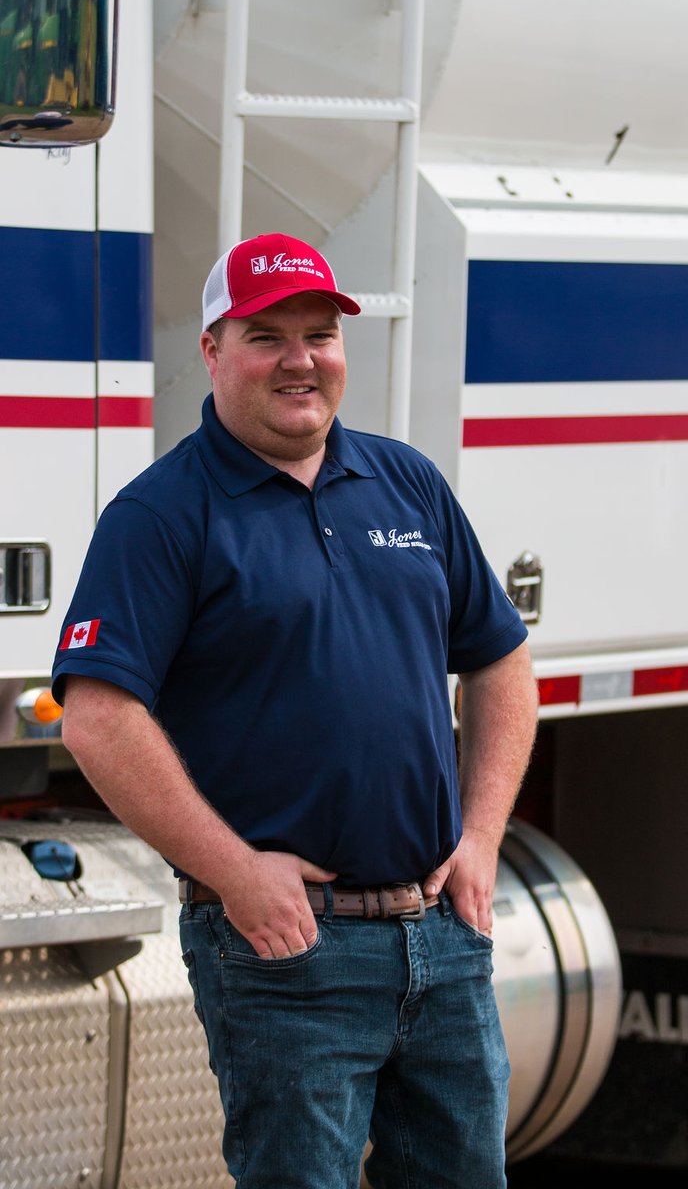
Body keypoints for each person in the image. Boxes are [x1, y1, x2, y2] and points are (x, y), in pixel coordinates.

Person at [52, 232, 538, 1189]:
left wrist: (481, 838)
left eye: (319, 335)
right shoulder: (162, 514)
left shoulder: (407, 482)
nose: (299, 360)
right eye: (266, 336)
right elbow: (98, 718)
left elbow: (501, 660)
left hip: (442, 940)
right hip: (287, 952)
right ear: (212, 350)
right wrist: (237, 873)